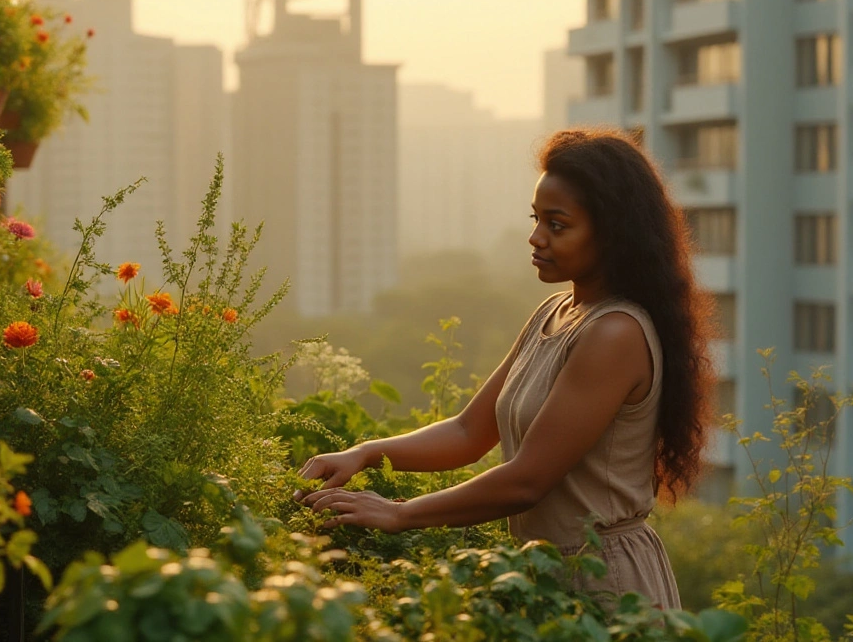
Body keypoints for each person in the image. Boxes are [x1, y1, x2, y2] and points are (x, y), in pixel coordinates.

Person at [293, 128, 716, 609]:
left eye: (557, 225)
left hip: (607, 582)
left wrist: (399, 514)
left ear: (614, 233)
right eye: (536, 219)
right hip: (545, 572)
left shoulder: (614, 334)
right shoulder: (553, 313)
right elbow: (468, 431)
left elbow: (526, 481)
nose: (536, 238)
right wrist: (365, 453)